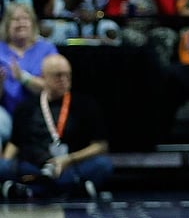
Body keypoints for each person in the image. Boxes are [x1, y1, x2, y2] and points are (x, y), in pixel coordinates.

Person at [0, 54, 112, 200]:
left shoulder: (86, 104)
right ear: (44, 77)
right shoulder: (26, 107)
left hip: (71, 164)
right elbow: (15, 143)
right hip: (35, 166)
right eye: (58, 76)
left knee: (102, 165)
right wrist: (5, 165)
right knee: (5, 168)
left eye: (67, 75)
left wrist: (68, 159)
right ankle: (73, 189)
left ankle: (33, 191)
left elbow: (100, 146)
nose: (64, 80)